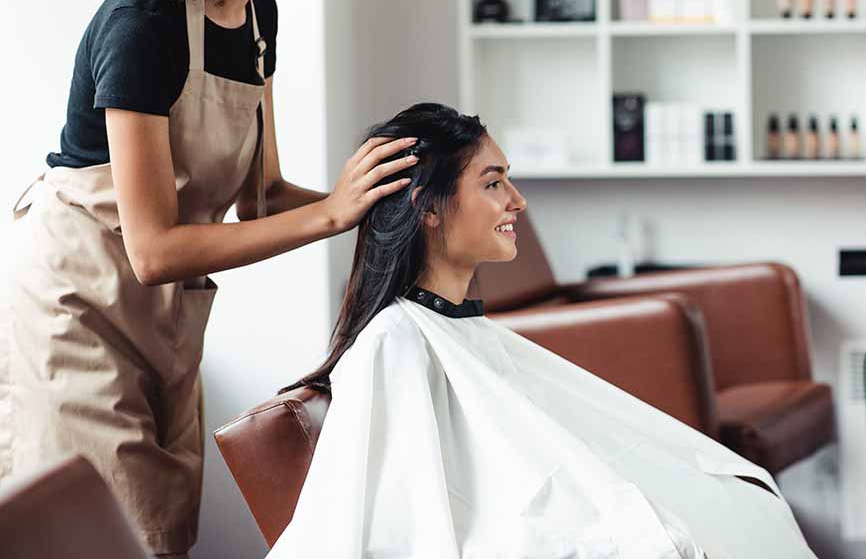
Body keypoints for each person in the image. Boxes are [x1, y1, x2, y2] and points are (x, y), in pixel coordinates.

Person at [0, 0, 416, 558]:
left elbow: (260, 201)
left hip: (163, 319)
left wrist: (372, 200)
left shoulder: (258, 11)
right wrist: (330, 213)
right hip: (76, 308)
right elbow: (153, 249)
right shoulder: (145, 23)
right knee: (113, 536)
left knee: (164, 523)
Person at [268, 103, 817, 558]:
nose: (517, 201)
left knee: (738, 497)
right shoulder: (395, 341)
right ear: (428, 209)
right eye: (493, 183)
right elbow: (413, 523)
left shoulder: (459, 327)